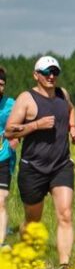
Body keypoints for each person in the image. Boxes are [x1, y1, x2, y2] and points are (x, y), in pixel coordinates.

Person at [4, 56, 75, 269]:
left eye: (54, 71)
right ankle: (25, 256)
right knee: (33, 220)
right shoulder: (26, 99)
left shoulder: (62, 94)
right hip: (33, 168)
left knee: (65, 214)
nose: (51, 76)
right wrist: (36, 124)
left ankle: (64, 266)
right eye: (46, 72)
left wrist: (73, 128)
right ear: (36, 74)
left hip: (61, 165)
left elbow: (70, 109)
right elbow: (9, 131)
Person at [0, 66, 18, 248]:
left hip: (3, 158)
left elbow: (24, 121)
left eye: (2, 84)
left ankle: (1, 243)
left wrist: (17, 138)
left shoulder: (11, 104)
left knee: (1, 200)